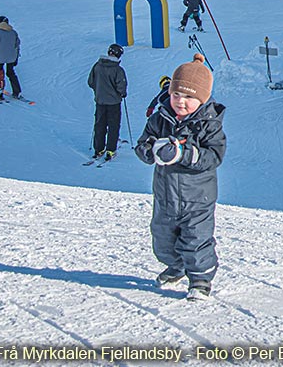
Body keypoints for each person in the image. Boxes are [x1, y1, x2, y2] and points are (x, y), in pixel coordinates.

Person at [134, 54, 226, 301]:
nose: (181, 102)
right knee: (162, 240)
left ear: (202, 98)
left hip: (197, 197)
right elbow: (143, 143)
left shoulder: (208, 123)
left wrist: (183, 154)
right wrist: (151, 151)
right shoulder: (160, 117)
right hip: (165, 194)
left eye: (189, 97)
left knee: (196, 240)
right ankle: (176, 266)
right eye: (176, 95)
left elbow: (214, 156)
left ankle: (200, 279)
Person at [88, 43, 128, 161]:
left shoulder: (97, 66)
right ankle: (111, 150)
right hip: (114, 103)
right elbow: (121, 87)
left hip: (100, 101)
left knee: (100, 124)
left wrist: (99, 90)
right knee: (113, 126)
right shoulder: (117, 70)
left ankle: (98, 149)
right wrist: (122, 93)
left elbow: (90, 82)